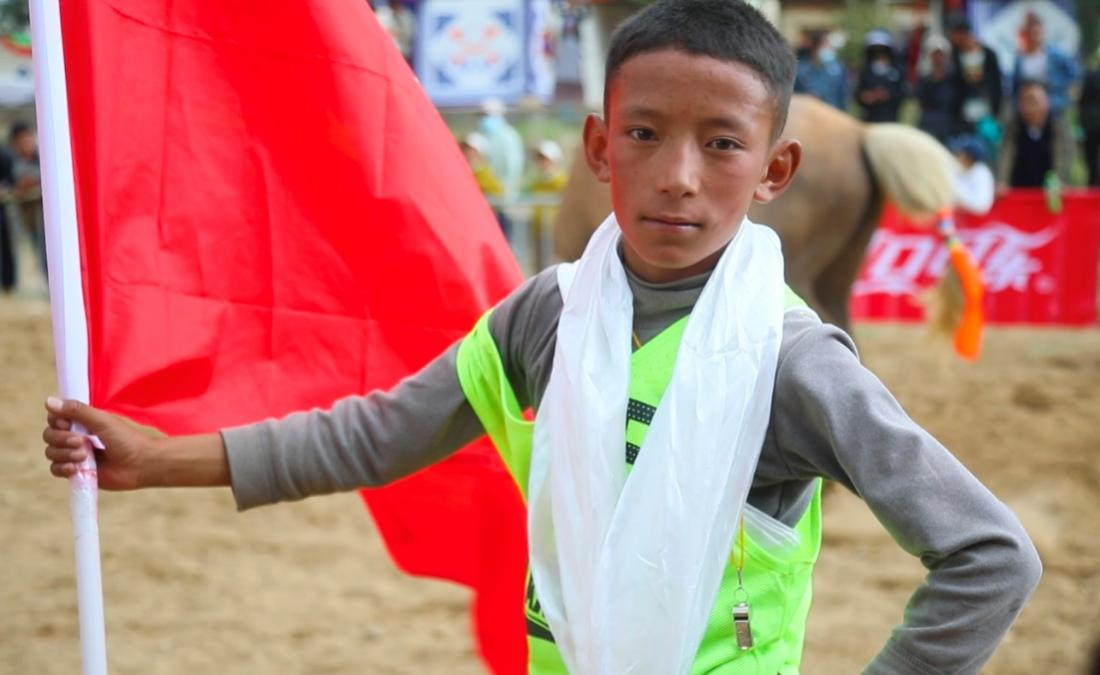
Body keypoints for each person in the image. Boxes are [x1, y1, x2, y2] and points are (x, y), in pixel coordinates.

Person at [41, 1, 1041, 673]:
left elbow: (991, 557)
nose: (678, 175)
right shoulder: (546, 312)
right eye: (644, 133)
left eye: (721, 144)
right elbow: (378, 433)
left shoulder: (794, 362)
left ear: (774, 170)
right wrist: (160, 457)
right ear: (600, 148)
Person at [1010, 14, 1080, 182]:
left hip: (1053, 107)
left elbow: (1074, 76)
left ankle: (1062, 180)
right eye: (1032, 33)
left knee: (1061, 145)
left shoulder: (1056, 55)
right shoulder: (1021, 58)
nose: (1036, 37)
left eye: (1039, 33)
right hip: (1028, 112)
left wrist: (1065, 96)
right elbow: (1015, 86)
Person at [947, 14, 1003, 147]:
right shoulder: (954, 56)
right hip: (963, 116)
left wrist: (996, 112)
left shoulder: (989, 54)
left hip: (986, 113)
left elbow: (997, 86)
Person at [999, 80, 1058, 190]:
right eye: (1023, 101)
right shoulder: (1014, 128)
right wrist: (1002, 181)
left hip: (1049, 191)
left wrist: (1059, 181)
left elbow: (1062, 157)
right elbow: (1006, 156)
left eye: (1032, 101)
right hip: (1018, 189)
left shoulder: (1056, 127)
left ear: (1046, 103)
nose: (1028, 107)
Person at [915, 35, 959, 144]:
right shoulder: (924, 81)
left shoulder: (954, 79)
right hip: (928, 129)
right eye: (935, 54)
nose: (939, 58)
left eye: (941, 54)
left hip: (949, 130)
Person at [855, 30, 907, 123]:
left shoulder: (897, 70)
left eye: (882, 50)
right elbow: (858, 94)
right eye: (875, 50)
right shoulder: (866, 71)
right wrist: (866, 97)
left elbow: (904, 93)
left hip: (890, 118)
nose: (879, 53)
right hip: (869, 119)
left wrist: (887, 95)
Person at [793, 30, 847, 111]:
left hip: (831, 113)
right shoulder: (799, 69)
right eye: (826, 44)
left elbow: (841, 96)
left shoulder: (837, 69)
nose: (829, 48)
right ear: (815, 46)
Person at [948, 134, 995, 215]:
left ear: (968, 157)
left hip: (972, 221)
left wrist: (955, 191)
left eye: (959, 152)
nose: (955, 154)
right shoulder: (953, 166)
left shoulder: (982, 173)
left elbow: (981, 207)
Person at [1079, 54, 1100, 187]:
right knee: (1091, 163)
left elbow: (1082, 101)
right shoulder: (1090, 76)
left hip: (1090, 124)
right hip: (1091, 125)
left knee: (1091, 163)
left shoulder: (1089, 76)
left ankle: (1092, 184)